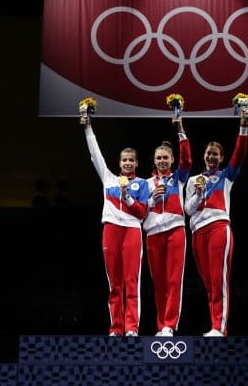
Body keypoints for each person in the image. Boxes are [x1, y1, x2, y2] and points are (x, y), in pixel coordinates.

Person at [82, 113, 150, 336]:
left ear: (136, 164)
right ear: (119, 163)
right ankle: (116, 328)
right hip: (111, 229)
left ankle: (131, 328)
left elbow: (142, 213)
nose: (128, 163)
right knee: (115, 283)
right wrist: (88, 128)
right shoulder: (108, 178)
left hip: (132, 230)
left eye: (131, 160)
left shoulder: (142, 184)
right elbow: (95, 154)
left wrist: (127, 197)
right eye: (124, 160)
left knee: (132, 281)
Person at [184, 109, 248, 338]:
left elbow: (239, 155)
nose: (211, 157)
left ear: (221, 158)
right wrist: (199, 194)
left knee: (219, 280)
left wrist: (243, 125)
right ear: (204, 155)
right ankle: (214, 325)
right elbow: (187, 210)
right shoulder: (193, 181)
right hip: (197, 233)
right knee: (209, 283)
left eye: (215, 154)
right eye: (209, 153)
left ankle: (219, 328)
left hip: (219, 228)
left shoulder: (226, 177)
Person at [143, 116, 192, 337]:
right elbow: (139, 211)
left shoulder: (179, 178)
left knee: (174, 280)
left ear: (172, 159)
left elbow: (188, 160)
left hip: (175, 232)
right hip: (153, 234)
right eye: (159, 158)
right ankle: (160, 323)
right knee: (159, 283)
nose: (162, 161)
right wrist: (152, 199)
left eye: (166, 158)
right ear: (154, 160)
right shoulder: (145, 184)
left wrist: (180, 129)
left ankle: (169, 326)